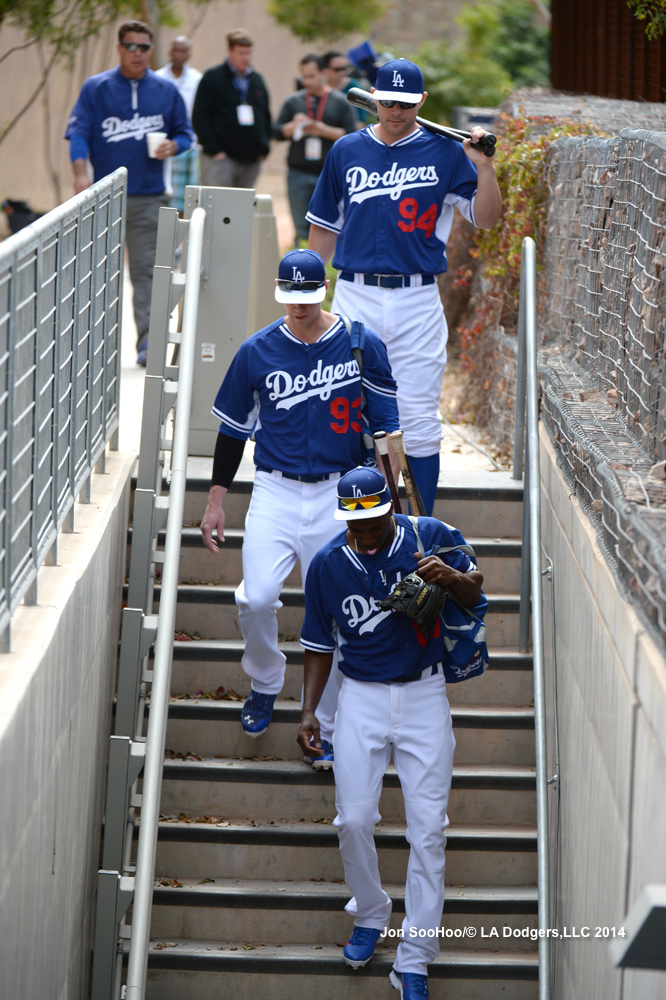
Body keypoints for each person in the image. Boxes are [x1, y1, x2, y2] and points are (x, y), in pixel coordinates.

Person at [200, 249, 399, 765]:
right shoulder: (257, 350)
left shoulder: (359, 344)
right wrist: (216, 500)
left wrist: (391, 494)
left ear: (324, 290)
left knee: (331, 616)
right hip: (276, 490)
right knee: (257, 597)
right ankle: (265, 679)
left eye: (307, 297)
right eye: (289, 297)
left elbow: (387, 427)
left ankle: (326, 729)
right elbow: (232, 431)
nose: (299, 306)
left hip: (340, 495)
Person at [297, 466, 484, 1000]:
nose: (367, 532)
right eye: (356, 524)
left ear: (390, 507)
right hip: (361, 696)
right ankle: (371, 911)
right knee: (354, 819)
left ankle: (415, 959)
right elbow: (317, 643)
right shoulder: (329, 563)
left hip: (425, 693)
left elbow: (477, 590)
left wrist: (447, 577)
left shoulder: (430, 535)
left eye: (375, 520)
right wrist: (309, 712)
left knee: (428, 831)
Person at [307, 58, 502, 514]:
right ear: (374, 97)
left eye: (406, 103)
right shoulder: (346, 151)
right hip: (355, 293)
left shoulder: (447, 151)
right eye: (388, 101)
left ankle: (418, 533)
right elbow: (322, 232)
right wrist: (312, 300)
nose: (396, 110)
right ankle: (353, 525)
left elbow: (488, 219)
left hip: (417, 298)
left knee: (416, 420)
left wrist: (485, 167)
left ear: (423, 102)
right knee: (348, 411)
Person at [65, 20, 194, 366]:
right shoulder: (97, 87)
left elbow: (185, 133)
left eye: (145, 47)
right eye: (131, 46)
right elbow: (78, 133)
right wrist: (80, 174)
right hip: (103, 197)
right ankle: (91, 348)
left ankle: (149, 345)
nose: (138, 53)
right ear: (120, 48)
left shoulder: (166, 91)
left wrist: (173, 145)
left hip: (149, 196)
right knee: (97, 273)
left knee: (148, 271)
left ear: (152, 51)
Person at [274, 55, 357, 244]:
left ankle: (323, 267)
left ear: (323, 74)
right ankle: (300, 265)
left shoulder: (340, 102)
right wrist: (293, 125)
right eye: (304, 77)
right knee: (300, 225)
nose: (307, 81)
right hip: (298, 172)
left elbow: (352, 135)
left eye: (312, 76)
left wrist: (324, 130)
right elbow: (277, 132)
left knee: (329, 224)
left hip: (328, 174)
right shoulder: (293, 101)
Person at [192, 28, 271, 189]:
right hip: (221, 158)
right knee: (219, 208)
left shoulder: (256, 79)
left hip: (251, 159)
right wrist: (214, 150)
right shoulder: (213, 77)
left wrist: (264, 148)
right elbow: (200, 115)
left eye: (248, 53)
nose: (245, 58)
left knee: (242, 210)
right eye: (241, 53)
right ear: (229, 51)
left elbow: (266, 115)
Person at [156, 36, 202, 215]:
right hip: (162, 146)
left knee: (186, 199)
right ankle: (165, 240)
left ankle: (181, 241)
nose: (179, 54)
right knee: (165, 197)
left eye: (183, 51)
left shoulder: (198, 79)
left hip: (189, 146)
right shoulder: (158, 77)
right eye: (176, 50)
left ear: (189, 54)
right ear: (170, 51)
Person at [321, 50, 369, 128]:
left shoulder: (354, 87)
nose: (342, 73)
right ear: (325, 70)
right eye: (337, 69)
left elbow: (361, 122)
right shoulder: (320, 89)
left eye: (344, 68)